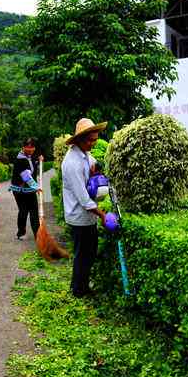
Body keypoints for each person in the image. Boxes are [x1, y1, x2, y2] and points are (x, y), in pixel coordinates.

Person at [61, 118, 107, 297]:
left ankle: (82, 286)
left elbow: (95, 168)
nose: (93, 143)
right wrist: (102, 215)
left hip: (88, 217)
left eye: (95, 139)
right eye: (90, 140)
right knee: (83, 255)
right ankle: (78, 290)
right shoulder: (71, 162)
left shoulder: (86, 154)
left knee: (89, 253)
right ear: (79, 139)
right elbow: (83, 199)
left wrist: (96, 172)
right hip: (79, 217)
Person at [10, 138, 43, 240]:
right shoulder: (20, 159)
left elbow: (32, 166)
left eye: (32, 147)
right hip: (20, 190)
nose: (30, 149)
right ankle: (21, 232)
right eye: (27, 147)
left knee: (34, 211)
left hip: (30, 189)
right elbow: (26, 176)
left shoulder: (30, 157)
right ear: (23, 147)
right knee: (24, 211)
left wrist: (39, 161)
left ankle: (38, 234)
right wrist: (36, 187)